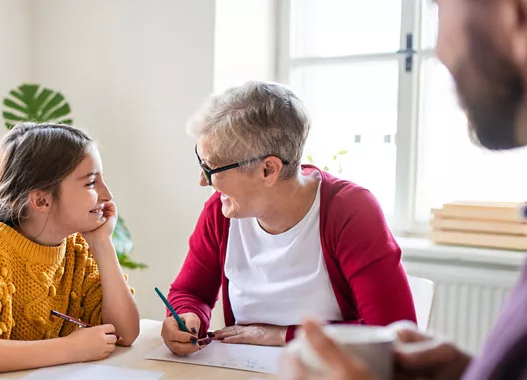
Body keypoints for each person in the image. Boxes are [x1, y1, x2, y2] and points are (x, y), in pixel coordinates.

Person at [280, 0, 527, 380]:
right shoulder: (218, 217)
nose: (438, 51)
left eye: (440, 7)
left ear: (515, 13)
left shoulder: (348, 206)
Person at [161, 81, 416, 355]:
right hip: (245, 377)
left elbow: (393, 335)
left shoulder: (350, 211)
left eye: (211, 168)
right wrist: (187, 316)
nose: (202, 180)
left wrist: (283, 336)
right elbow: (189, 292)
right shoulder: (220, 212)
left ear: (268, 170)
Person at [0, 123, 140, 377]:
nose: (107, 194)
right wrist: (71, 349)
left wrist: (103, 244)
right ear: (41, 200)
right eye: (92, 183)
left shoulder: (77, 244)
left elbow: (125, 333)